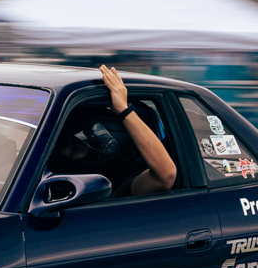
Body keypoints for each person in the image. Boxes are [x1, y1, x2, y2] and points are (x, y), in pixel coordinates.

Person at [46, 64, 179, 197]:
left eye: (77, 148)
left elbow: (165, 175)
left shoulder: (120, 181)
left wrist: (123, 110)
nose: (66, 152)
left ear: (107, 148)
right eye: (64, 144)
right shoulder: (49, 166)